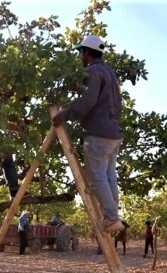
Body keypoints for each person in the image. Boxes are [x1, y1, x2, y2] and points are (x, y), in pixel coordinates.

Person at [52, 34, 125, 233]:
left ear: (86, 52)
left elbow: (89, 100)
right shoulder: (109, 73)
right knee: (109, 176)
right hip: (113, 133)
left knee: (97, 178)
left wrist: (65, 114)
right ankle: (113, 215)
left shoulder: (93, 71)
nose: (79, 56)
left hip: (99, 134)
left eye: (80, 52)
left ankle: (110, 218)